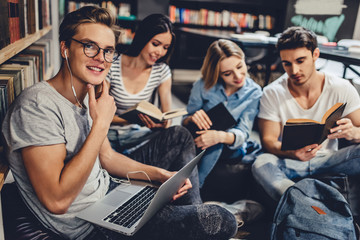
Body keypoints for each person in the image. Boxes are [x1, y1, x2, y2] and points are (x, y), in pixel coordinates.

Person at [1, 6, 237, 240]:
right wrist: (101, 122)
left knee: (202, 207)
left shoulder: (86, 96)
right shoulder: (36, 106)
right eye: (89, 46)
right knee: (219, 220)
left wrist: (161, 175)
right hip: (91, 226)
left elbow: (108, 158)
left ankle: (191, 213)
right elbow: (57, 201)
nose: (101, 59)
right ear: (65, 48)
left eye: (108, 51)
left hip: (111, 198)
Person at [252, 26, 360, 201]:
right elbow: (269, 141)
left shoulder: (341, 88)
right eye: (287, 63)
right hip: (290, 162)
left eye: (300, 61)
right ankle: (299, 201)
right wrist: (292, 153)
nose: (294, 71)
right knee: (261, 163)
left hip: (329, 160)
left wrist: (353, 132)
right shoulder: (272, 92)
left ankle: (296, 202)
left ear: (315, 55)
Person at [182, 39, 262, 187]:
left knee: (214, 143)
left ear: (244, 59)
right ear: (217, 73)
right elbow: (184, 121)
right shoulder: (202, 85)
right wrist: (192, 118)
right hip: (200, 139)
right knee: (180, 135)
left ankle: (196, 187)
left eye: (240, 66)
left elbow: (243, 133)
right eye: (227, 73)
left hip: (231, 145)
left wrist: (218, 136)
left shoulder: (254, 92)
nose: (238, 76)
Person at [106, 13, 176, 154]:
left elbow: (168, 115)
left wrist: (162, 123)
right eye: (155, 44)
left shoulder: (161, 71)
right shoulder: (112, 64)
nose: (160, 52)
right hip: (108, 136)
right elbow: (97, 115)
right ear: (143, 38)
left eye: (165, 47)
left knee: (178, 134)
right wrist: (131, 121)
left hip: (138, 136)